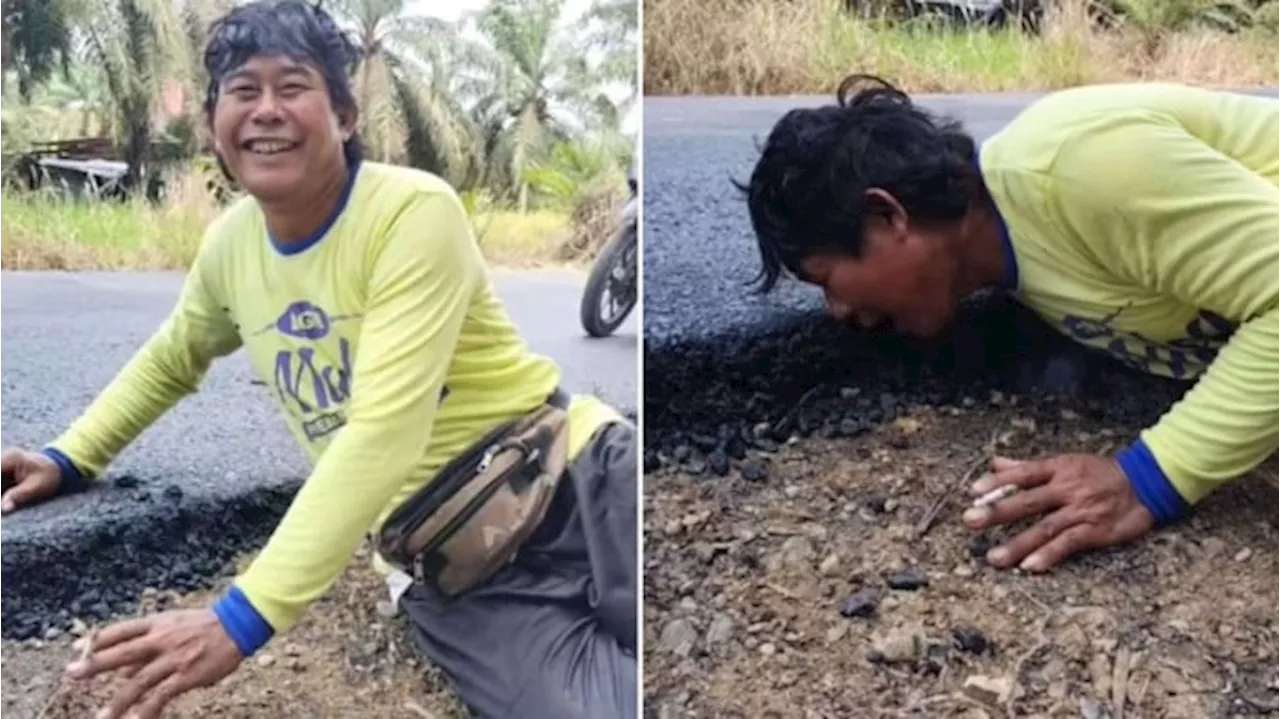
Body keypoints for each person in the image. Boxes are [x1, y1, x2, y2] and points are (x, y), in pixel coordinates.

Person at [0, 2, 637, 718]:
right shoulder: (231, 247)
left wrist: (243, 615)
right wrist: (69, 455)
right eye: (243, 92)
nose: (265, 110)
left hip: (575, 475)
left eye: (292, 86)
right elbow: (171, 360)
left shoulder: (411, 212)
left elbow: (384, 431)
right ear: (215, 124)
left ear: (344, 115)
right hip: (457, 567)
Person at [737, 75, 1278, 575]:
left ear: (888, 217)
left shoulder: (1082, 169)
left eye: (827, 279)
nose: (838, 311)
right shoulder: (1009, 259)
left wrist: (1147, 479)